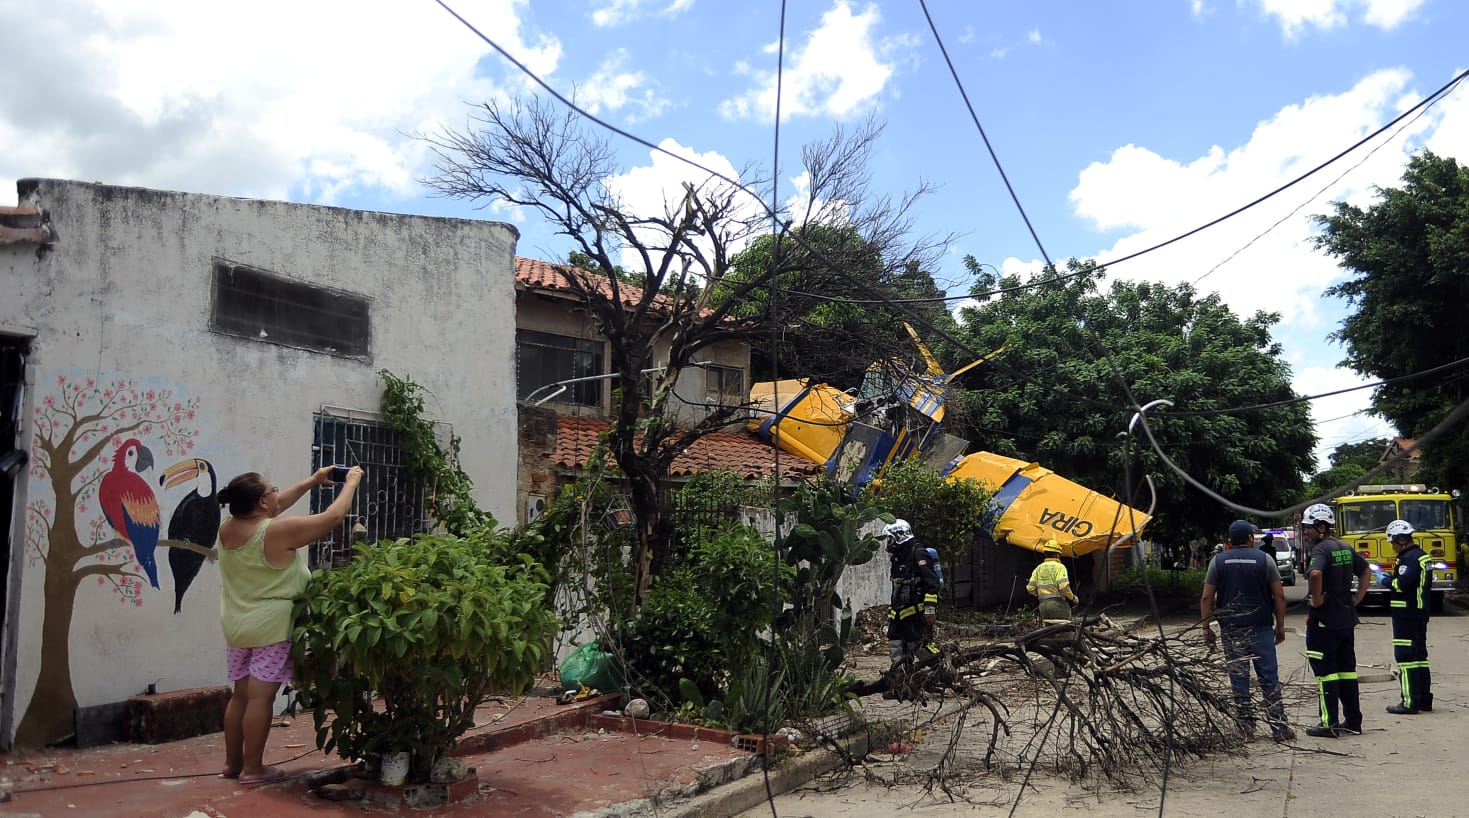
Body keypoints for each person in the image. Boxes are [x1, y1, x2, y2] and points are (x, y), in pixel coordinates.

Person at [216, 465, 364, 784]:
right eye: (271, 491)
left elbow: (275, 505)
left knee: (239, 696)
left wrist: (312, 481)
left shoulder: (228, 527)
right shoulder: (274, 532)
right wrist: (350, 482)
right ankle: (253, 769)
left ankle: (232, 764)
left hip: (237, 625)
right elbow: (333, 518)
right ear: (260, 503)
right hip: (271, 628)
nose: (276, 494)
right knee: (260, 699)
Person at [1200, 520, 1294, 741]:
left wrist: (1206, 627)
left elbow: (1206, 597)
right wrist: (1280, 626)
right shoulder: (1265, 560)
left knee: (1239, 679)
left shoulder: (1218, 562)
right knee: (1269, 677)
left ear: (1230, 540)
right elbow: (1279, 596)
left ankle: (1245, 729)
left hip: (1232, 630)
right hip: (1261, 628)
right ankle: (1279, 728)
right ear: (1250, 538)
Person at [1300, 503, 1370, 738]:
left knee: (1326, 673)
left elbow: (1316, 573)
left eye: (1308, 528)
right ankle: (1352, 721)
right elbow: (1366, 570)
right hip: (1346, 621)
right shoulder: (1344, 547)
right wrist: (1358, 598)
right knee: (1347, 671)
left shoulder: (1320, 550)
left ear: (1321, 527)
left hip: (1324, 624)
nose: (1306, 533)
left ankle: (1328, 723)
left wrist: (1317, 599)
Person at [1381, 519, 1434, 714]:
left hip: (1406, 615)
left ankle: (1410, 702)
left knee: (1405, 658)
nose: (1392, 547)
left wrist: (1386, 580)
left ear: (1401, 540)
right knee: (1420, 657)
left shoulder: (1409, 559)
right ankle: (1424, 699)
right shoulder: (1422, 557)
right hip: (1419, 613)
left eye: (1393, 543)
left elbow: (1401, 585)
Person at [884, 519, 943, 669]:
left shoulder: (918, 554)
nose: (888, 543)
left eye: (890, 539)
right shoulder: (898, 558)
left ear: (900, 535)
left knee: (920, 647)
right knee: (895, 645)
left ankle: (944, 669)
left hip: (915, 614)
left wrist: (930, 609)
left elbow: (932, 583)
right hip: (898, 614)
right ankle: (901, 682)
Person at [1026, 539, 1078, 622]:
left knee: (1048, 633)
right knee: (1064, 632)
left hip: (1043, 606)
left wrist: (1040, 594)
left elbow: (1030, 588)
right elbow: (1063, 587)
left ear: (1045, 553)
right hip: (1057, 605)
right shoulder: (1060, 567)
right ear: (1057, 554)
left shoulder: (1039, 568)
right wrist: (1073, 598)